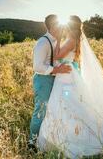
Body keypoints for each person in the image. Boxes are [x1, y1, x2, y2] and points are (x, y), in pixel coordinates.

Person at [38, 15, 103, 158]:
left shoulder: (70, 40)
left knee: (69, 103)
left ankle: (76, 135)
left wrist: (56, 40)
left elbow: (57, 56)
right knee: (70, 103)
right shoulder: (72, 38)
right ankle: (64, 132)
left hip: (66, 75)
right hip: (67, 73)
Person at [28, 14, 72, 151]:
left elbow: (53, 59)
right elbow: (37, 66)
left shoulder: (54, 41)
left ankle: (46, 139)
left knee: (51, 110)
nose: (62, 28)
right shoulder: (43, 42)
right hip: (42, 80)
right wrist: (57, 69)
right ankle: (32, 143)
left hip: (53, 79)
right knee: (40, 111)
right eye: (59, 25)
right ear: (52, 26)